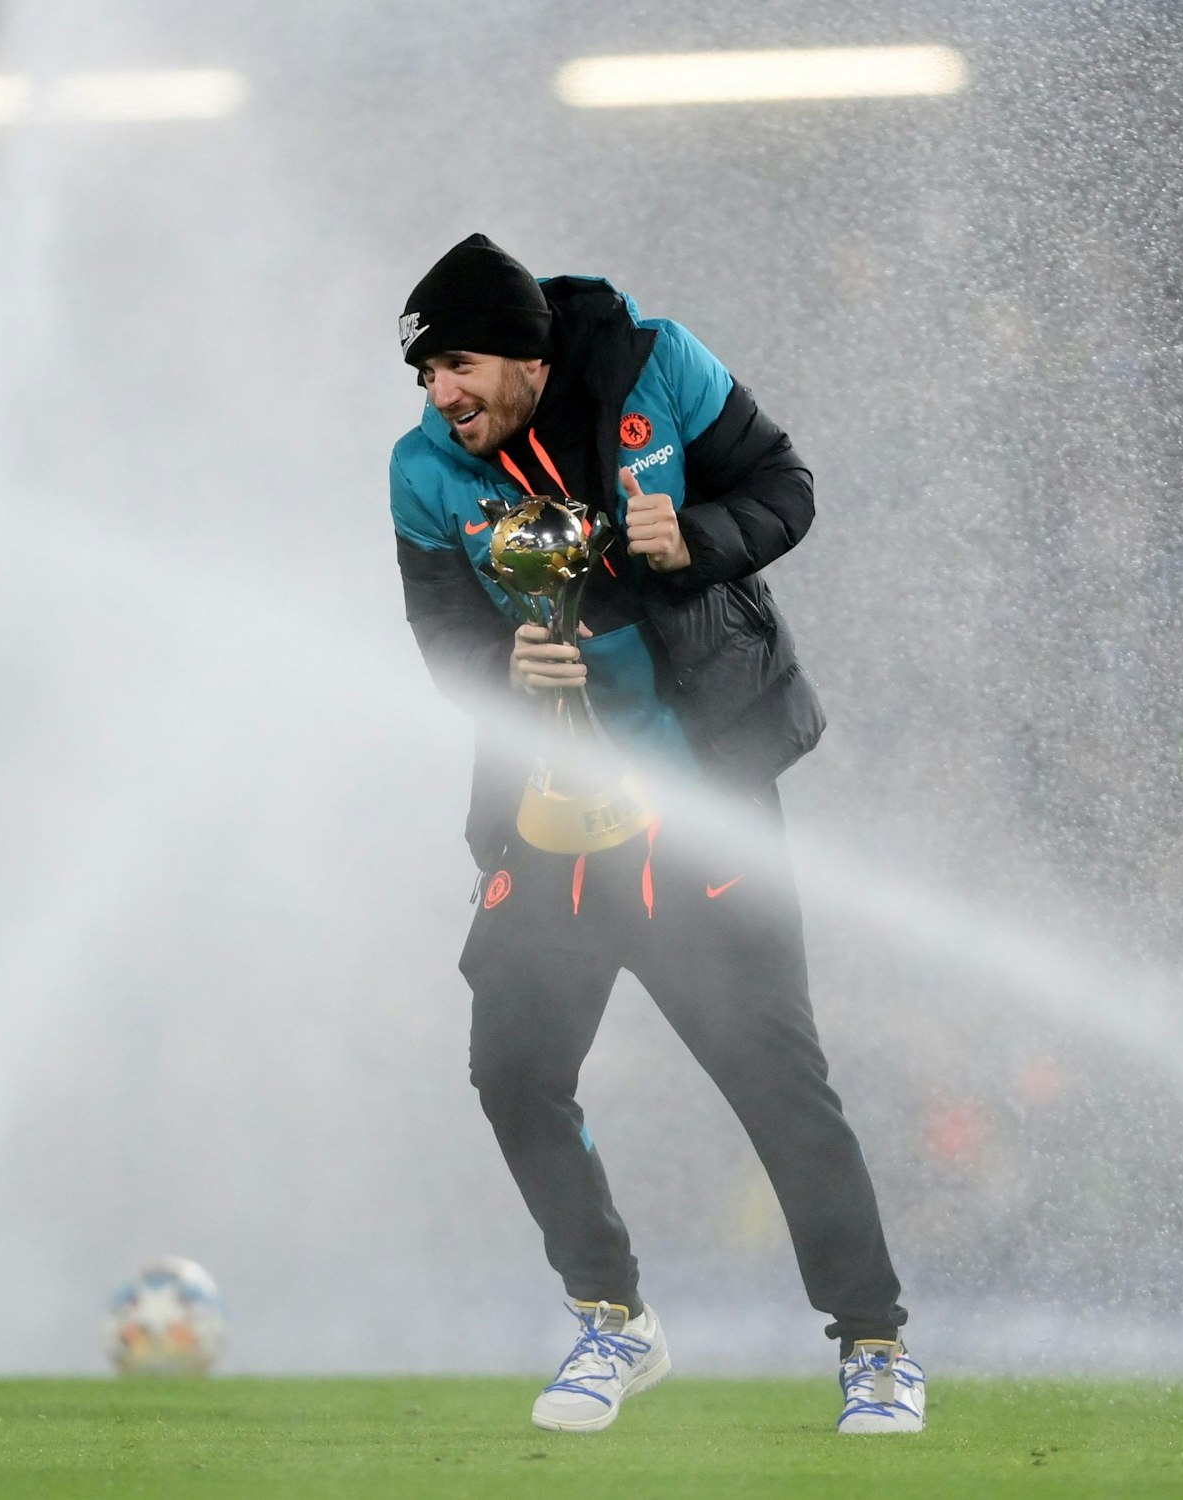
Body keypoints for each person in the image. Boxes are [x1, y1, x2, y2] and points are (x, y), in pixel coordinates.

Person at [388, 233, 921, 1434]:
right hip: (546, 820)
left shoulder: (658, 367)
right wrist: (498, 663)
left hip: (701, 806)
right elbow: (439, 634)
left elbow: (787, 489)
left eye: (456, 366)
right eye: (425, 379)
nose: (440, 396)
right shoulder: (420, 471)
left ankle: (875, 1347)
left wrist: (699, 540)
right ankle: (611, 1324)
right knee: (511, 1075)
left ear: (524, 355)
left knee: (776, 1081)